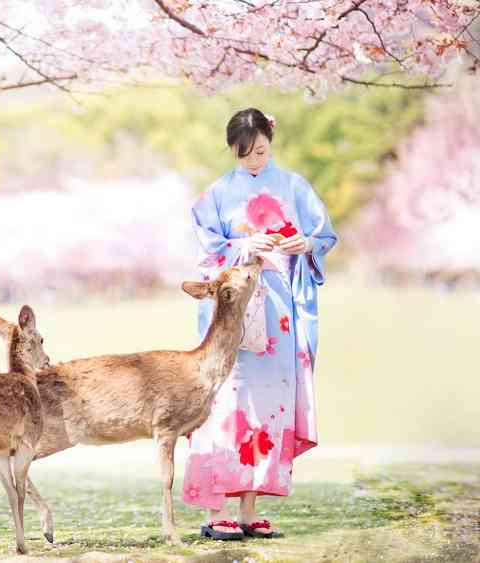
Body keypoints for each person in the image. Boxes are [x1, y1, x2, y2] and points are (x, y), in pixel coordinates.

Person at [182, 108, 338, 540]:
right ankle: (216, 513)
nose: (255, 160)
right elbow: (207, 254)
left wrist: (305, 243)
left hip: (279, 311)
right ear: (232, 149)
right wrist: (242, 244)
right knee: (226, 402)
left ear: (271, 141)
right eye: (245, 153)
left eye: (262, 150)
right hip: (236, 311)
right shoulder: (216, 194)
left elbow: (324, 237)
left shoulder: (294, 186)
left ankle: (249, 512)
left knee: (266, 405)